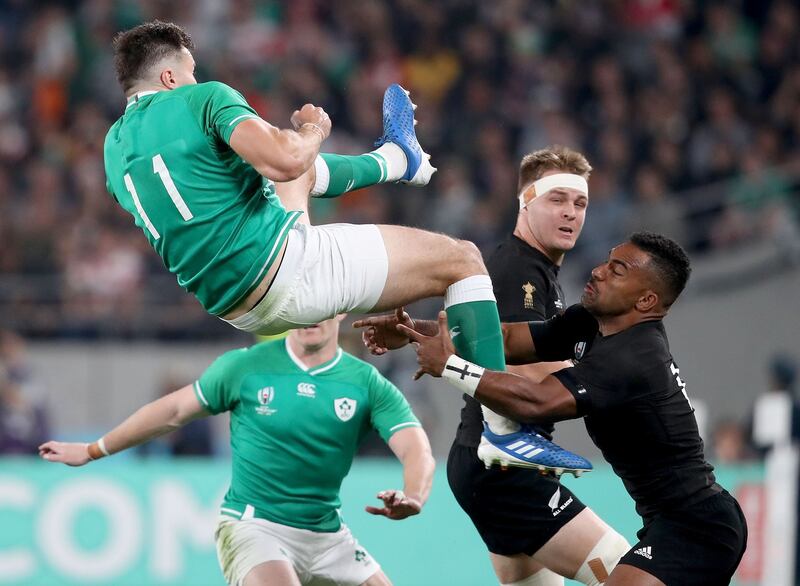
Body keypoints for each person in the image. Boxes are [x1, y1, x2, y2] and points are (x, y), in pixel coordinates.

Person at [103, 20, 583, 469]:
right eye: (190, 71)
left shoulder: (114, 149)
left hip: (233, 304)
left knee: (290, 176)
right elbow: (284, 160)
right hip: (286, 267)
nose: (195, 78)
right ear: (169, 77)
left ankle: (399, 158)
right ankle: (502, 430)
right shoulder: (201, 99)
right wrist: (312, 130)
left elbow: (226, 193)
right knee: (464, 260)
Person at [392, 232, 748, 585]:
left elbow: (536, 401)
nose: (598, 271)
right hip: (670, 523)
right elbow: (508, 340)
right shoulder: (592, 323)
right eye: (607, 260)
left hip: (700, 528)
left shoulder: (636, 358)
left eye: (617, 270)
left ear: (646, 301)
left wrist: (452, 366)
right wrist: (415, 331)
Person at [355, 148, 629, 586]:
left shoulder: (532, 270)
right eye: (557, 199)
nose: (570, 213)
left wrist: (416, 330)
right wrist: (618, 381)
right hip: (504, 469)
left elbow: (493, 343)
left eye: (580, 204)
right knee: (633, 576)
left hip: (491, 466)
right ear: (526, 202)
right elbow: (524, 373)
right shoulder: (519, 273)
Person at [40, 315, 434, 586]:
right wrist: (93, 450)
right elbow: (174, 410)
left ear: (342, 309)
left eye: (322, 304)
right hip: (253, 525)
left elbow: (415, 446)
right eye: (303, 303)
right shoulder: (246, 368)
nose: (311, 314)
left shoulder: (364, 382)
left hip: (328, 536)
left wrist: (414, 495)